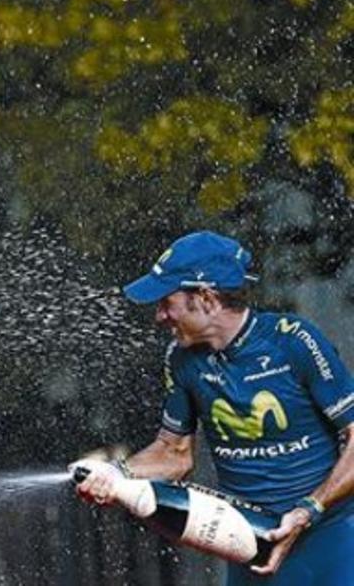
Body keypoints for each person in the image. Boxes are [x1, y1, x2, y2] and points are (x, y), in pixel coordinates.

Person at [71, 230, 354, 585]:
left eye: (166, 301)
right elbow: (175, 456)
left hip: (331, 540)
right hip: (249, 543)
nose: (160, 316)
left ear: (205, 298)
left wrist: (308, 510)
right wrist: (117, 475)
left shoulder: (294, 341)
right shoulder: (182, 359)